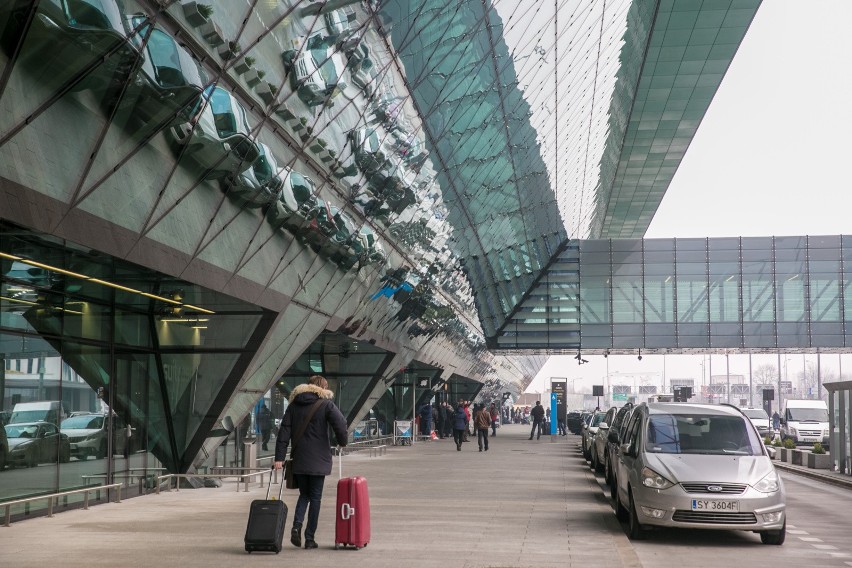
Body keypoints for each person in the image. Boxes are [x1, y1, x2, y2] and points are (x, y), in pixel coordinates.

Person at [274, 375, 348, 550]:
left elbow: (284, 432)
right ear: (322, 388)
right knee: (315, 498)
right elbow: (341, 423)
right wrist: (342, 441)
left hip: (300, 458)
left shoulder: (293, 406)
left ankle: (296, 525)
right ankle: (309, 538)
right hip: (318, 459)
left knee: (304, 495)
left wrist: (279, 457)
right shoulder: (326, 404)